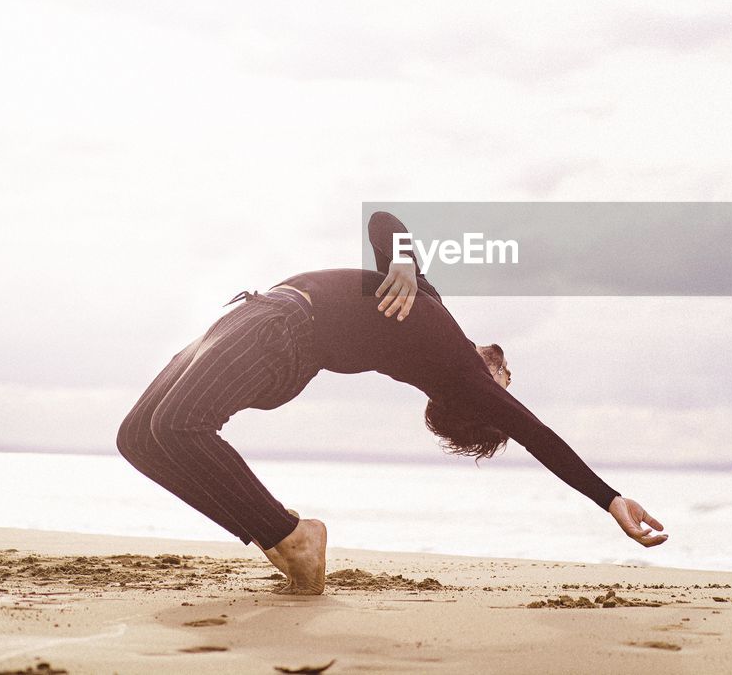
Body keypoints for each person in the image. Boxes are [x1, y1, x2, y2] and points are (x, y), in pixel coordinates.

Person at [116, 211, 667, 595]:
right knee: (137, 438)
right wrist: (402, 260)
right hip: (256, 314)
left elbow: (538, 435)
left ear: (481, 395)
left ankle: (292, 537)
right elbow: (383, 221)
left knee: (182, 424)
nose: (507, 373)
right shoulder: (429, 303)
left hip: (283, 331)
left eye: (505, 383)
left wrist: (610, 499)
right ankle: (278, 533)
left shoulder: (460, 368)